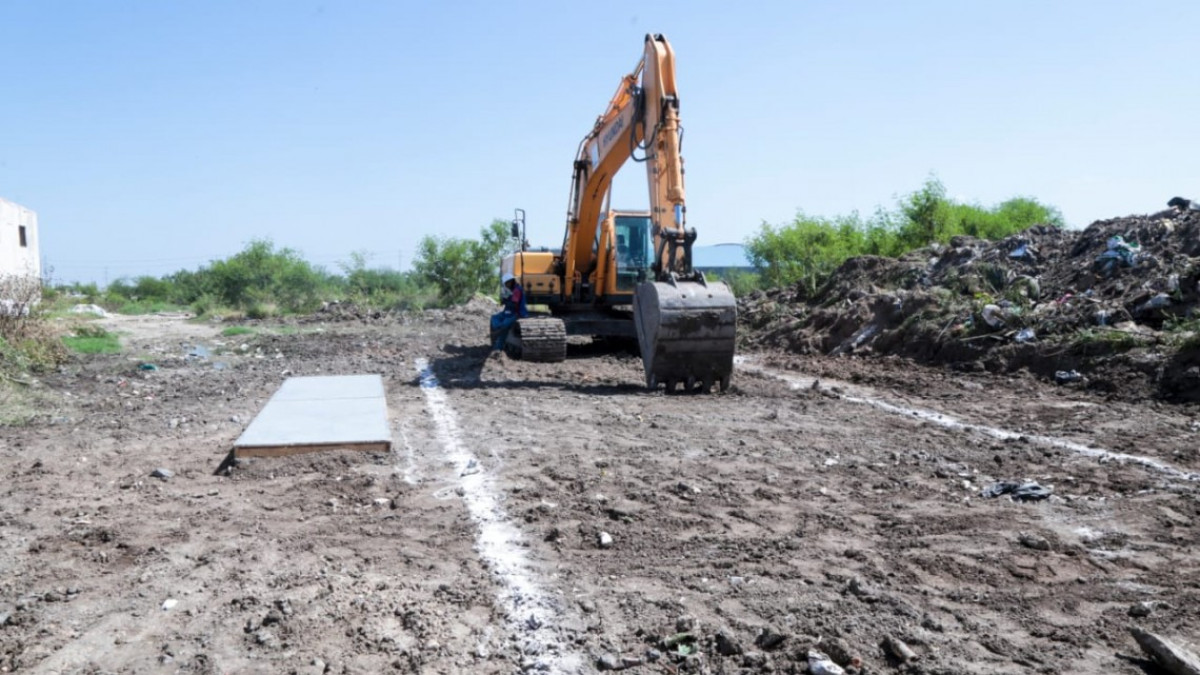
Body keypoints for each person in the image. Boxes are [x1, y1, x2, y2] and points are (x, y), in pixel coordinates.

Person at [489, 273, 528, 355]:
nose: (506, 285)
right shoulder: (514, 289)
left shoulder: (517, 290)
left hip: (518, 314)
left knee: (504, 325)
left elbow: (514, 304)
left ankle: (498, 345)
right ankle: (497, 333)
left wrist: (505, 301)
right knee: (494, 318)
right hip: (511, 312)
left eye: (507, 283)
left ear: (511, 281)